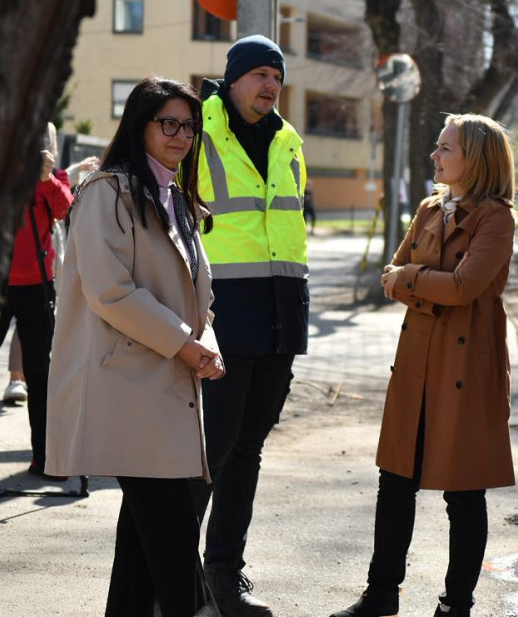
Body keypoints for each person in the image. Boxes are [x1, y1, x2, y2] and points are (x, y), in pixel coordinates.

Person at [45, 77, 225, 616]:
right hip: (125, 383)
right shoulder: (109, 191)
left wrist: (204, 338)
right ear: (139, 125)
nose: (180, 135)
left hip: (164, 381)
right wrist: (184, 345)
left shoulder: (175, 197)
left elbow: (198, 294)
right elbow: (111, 291)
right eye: (167, 123)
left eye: (189, 126)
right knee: (171, 541)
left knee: (142, 545)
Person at [332, 113, 518, 617]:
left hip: (466, 371)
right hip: (415, 367)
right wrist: (424, 282)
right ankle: (380, 595)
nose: (434, 155)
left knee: (463, 494)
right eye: (437, 147)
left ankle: (456, 606)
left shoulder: (496, 218)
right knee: (394, 482)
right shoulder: (429, 208)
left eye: (445, 148)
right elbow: (390, 276)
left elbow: (462, 287)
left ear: (474, 159)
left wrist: (415, 280)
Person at [192, 35, 309, 617]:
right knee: (205, 454)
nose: (270, 85)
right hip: (220, 313)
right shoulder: (196, 130)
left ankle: (223, 576)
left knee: (246, 452)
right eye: (260, 74)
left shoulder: (289, 142)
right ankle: (177, 579)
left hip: (279, 317)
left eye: (277, 77)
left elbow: (288, 231)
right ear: (233, 78)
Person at [0, 125, 72, 474]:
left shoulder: (55, 179)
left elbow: (64, 210)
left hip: (38, 285)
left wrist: (44, 179)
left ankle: (44, 457)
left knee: (40, 373)